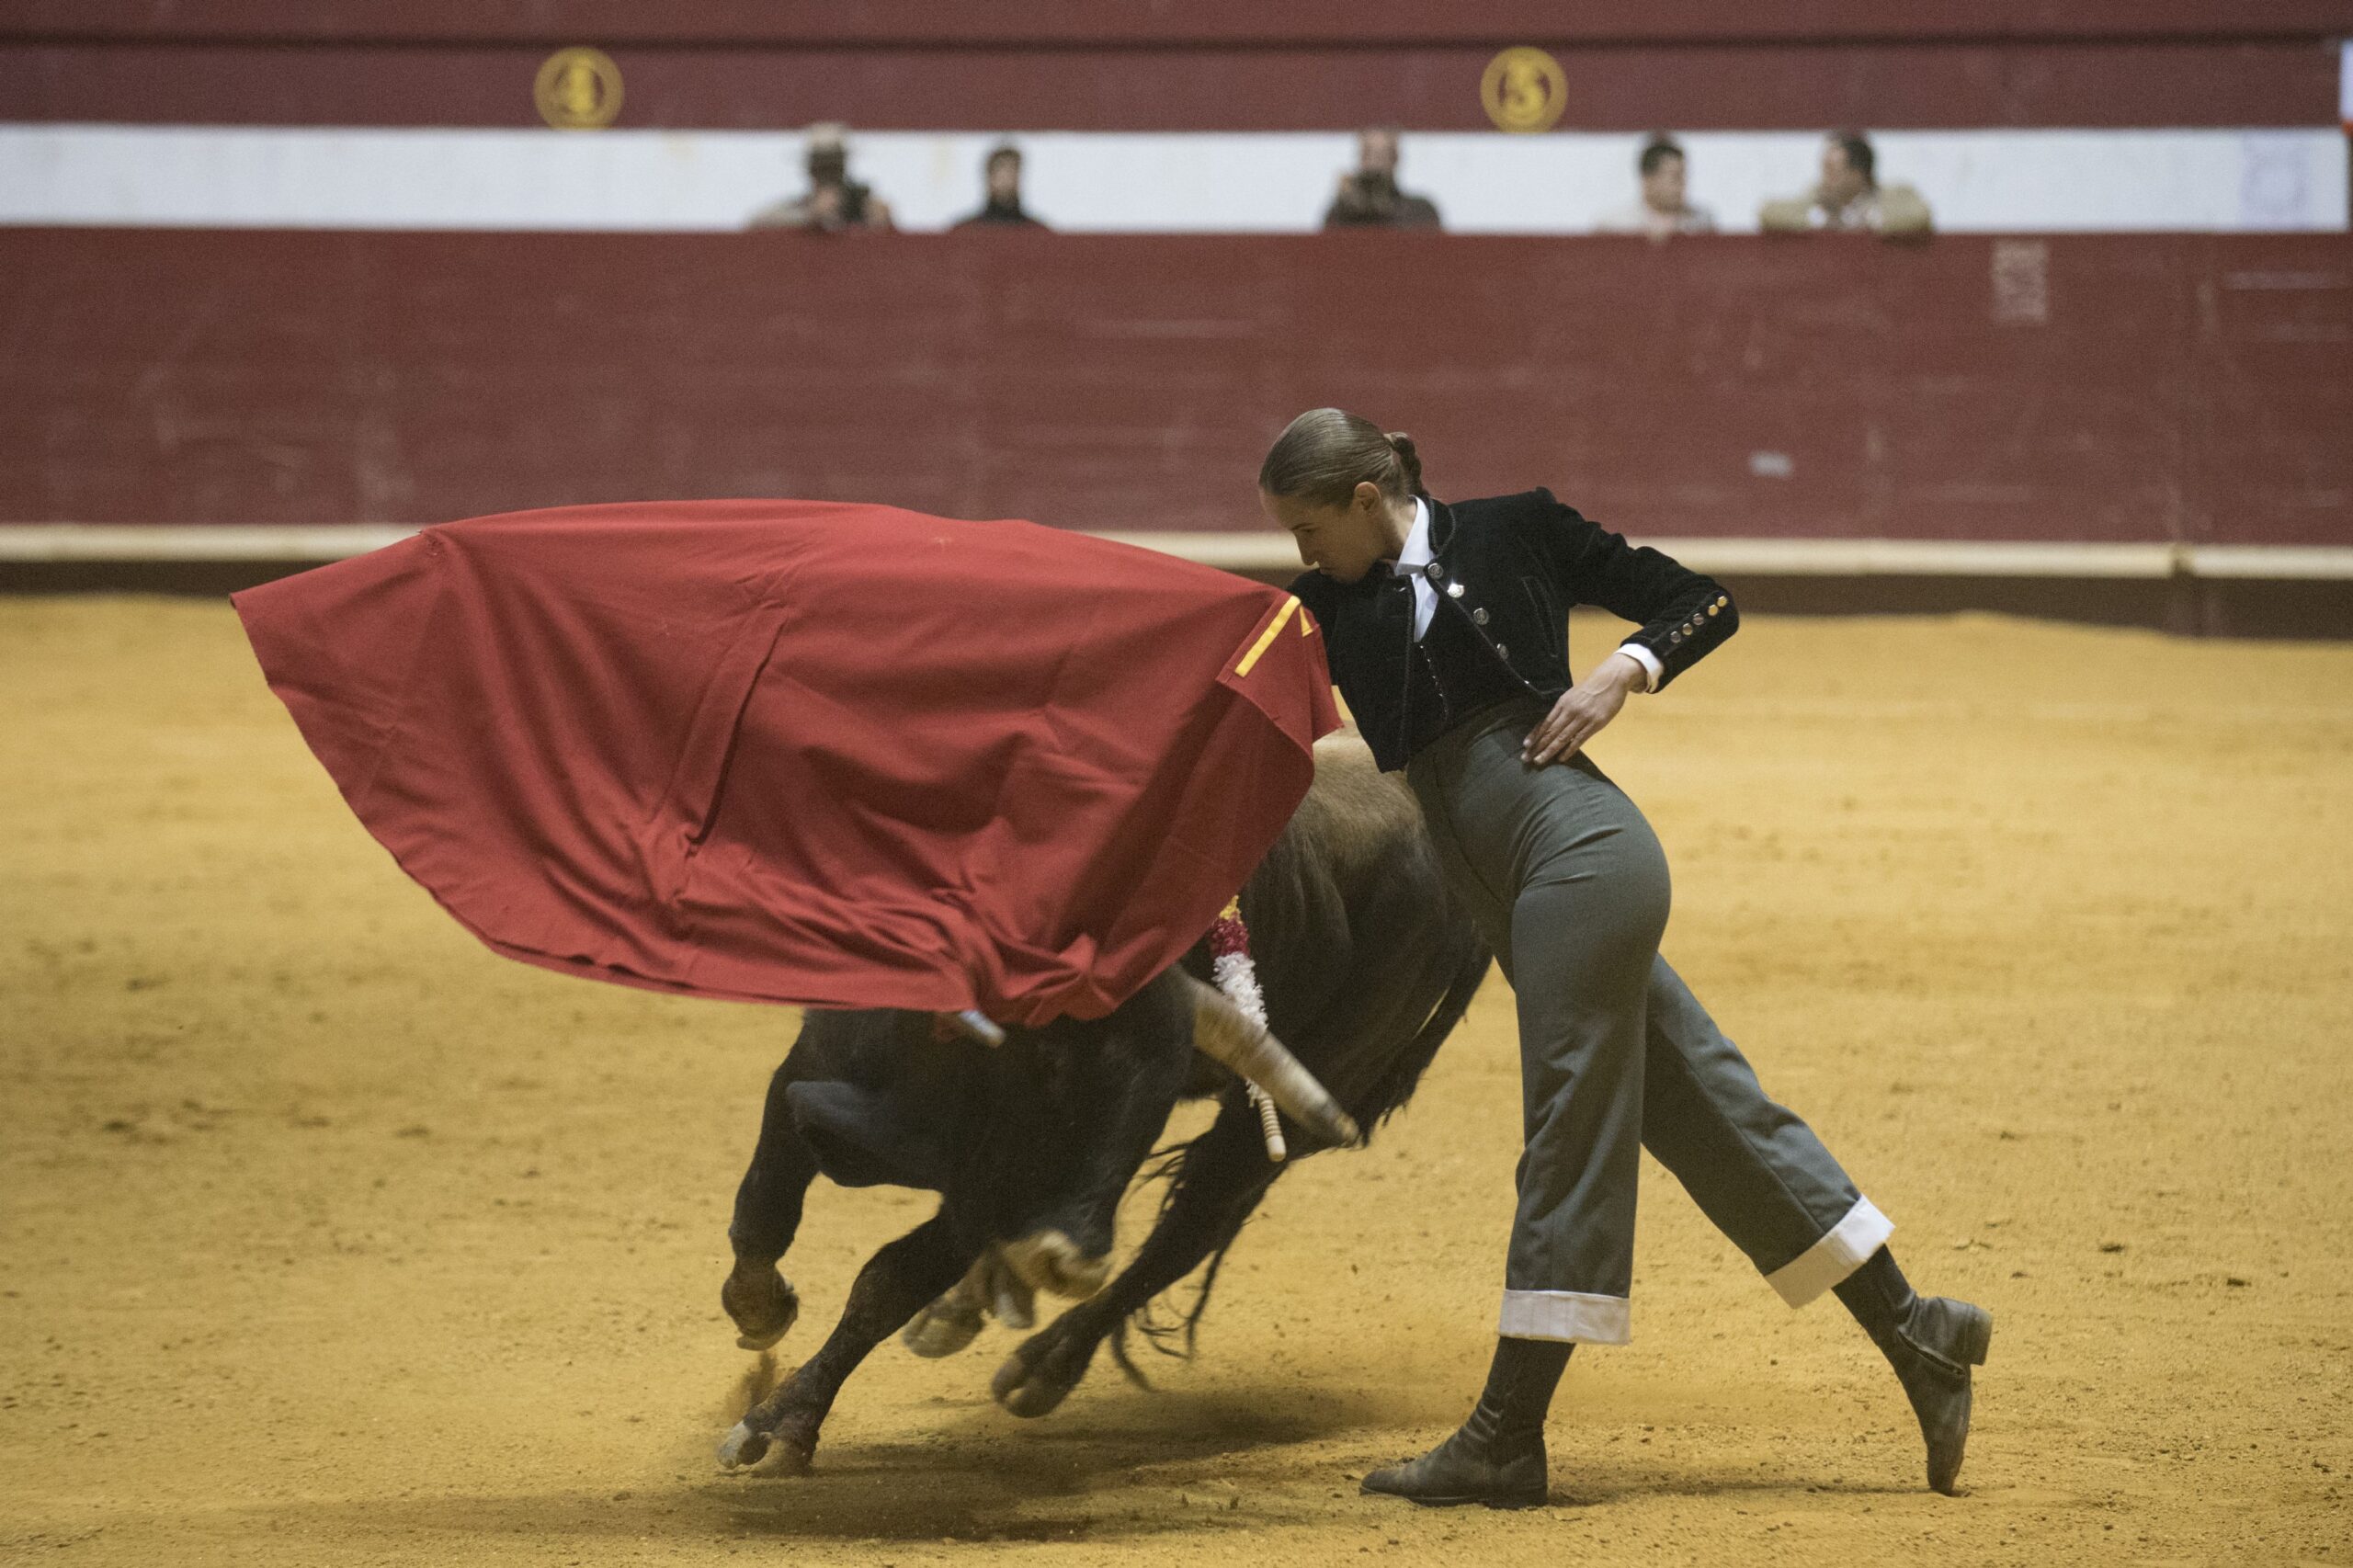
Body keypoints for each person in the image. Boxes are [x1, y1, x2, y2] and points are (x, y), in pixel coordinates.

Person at [1258, 408, 1989, 1506]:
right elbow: (1219, 662)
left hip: (1582, 859)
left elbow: (1702, 599)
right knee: (1706, 1109)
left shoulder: (1515, 527)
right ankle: (1917, 1330)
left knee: (1569, 1126)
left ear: (1365, 500)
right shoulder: (1321, 604)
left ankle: (1506, 1433)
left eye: (1309, 528)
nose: (1303, 552)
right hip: (1518, 895)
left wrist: (1623, 671)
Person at [1759, 131, 1932, 235]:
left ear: (1857, 174)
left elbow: (1922, 215)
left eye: (1832, 170)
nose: (1825, 179)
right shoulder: (1817, 195)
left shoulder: (1892, 194)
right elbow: (1768, 213)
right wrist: (1818, 218)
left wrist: (1871, 218)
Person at [747, 121, 895, 233]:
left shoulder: (863, 207)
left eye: (834, 167)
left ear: (843, 167)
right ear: (811, 170)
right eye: (822, 168)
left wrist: (884, 223)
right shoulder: (796, 207)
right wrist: (808, 217)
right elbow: (754, 225)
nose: (829, 175)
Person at [1593, 135, 1717, 238]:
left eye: (1684, 176)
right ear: (1648, 179)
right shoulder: (1615, 227)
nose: (1683, 184)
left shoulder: (1702, 223)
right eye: (1676, 177)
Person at [1323, 128, 1442, 230]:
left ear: (1395, 158)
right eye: (1368, 154)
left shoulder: (1420, 212)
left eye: (1383, 155)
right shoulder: (1341, 213)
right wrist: (1347, 210)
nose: (1375, 163)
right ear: (1360, 158)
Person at [952, 143, 1047, 230]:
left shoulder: (1039, 234)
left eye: (1012, 171)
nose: (1007, 180)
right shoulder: (964, 233)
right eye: (1001, 172)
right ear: (989, 177)